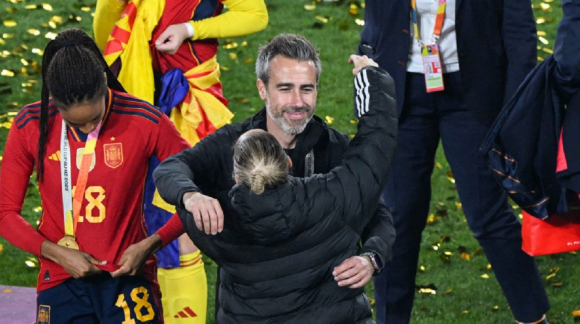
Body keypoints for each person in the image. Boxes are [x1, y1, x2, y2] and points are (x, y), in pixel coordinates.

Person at [150, 33, 396, 318]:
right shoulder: (230, 143)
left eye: (307, 89)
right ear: (262, 89)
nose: (297, 102)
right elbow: (171, 168)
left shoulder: (334, 146)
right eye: (285, 88)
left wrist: (371, 257)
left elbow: (376, 213)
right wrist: (190, 195)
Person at [358, 1, 550, 323]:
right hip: (402, 91)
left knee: (487, 216)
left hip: (473, 94)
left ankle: (533, 318)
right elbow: (377, 19)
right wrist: (366, 62)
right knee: (398, 218)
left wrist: (516, 106)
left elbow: (520, 33)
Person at [93, 1, 268, 322]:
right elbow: (105, 36)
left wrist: (189, 30)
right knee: (137, 221)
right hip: (133, 98)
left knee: (181, 222)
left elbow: (257, 15)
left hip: (187, 102)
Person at [0, 28, 187, 323]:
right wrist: (57, 253)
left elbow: (199, 193)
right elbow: (4, 213)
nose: (88, 129)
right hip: (60, 280)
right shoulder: (31, 124)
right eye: (76, 123)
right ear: (55, 101)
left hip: (129, 277)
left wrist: (153, 243)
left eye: (95, 118)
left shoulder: (146, 121)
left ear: (103, 80)